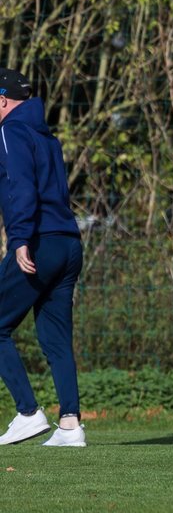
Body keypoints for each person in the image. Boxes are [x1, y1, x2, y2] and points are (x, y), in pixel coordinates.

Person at [0, 68, 84, 447]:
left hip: (38, 242)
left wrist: (18, 238)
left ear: (2, 100)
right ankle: (70, 425)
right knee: (55, 337)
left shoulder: (10, 130)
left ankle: (28, 413)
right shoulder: (45, 134)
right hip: (68, 243)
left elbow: (21, 186)